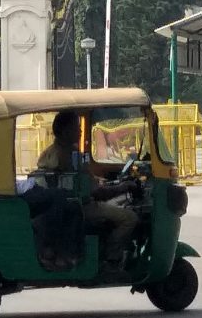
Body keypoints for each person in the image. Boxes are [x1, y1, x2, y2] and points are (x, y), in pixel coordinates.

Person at [38, 111, 140, 273]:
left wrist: (103, 183)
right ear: (65, 131)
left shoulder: (50, 152)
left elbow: (86, 183)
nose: (79, 132)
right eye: (76, 128)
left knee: (116, 206)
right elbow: (96, 193)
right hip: (81, 207)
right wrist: (122, 187)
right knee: (129, 217)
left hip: (66, 204)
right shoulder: (68, 156)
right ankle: (111, 259)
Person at [16, 177, 81, 270]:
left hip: (30, 188)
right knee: (60, 194)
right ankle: (53, 249)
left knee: (72, 208)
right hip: (26, 192)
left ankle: (60, 251)